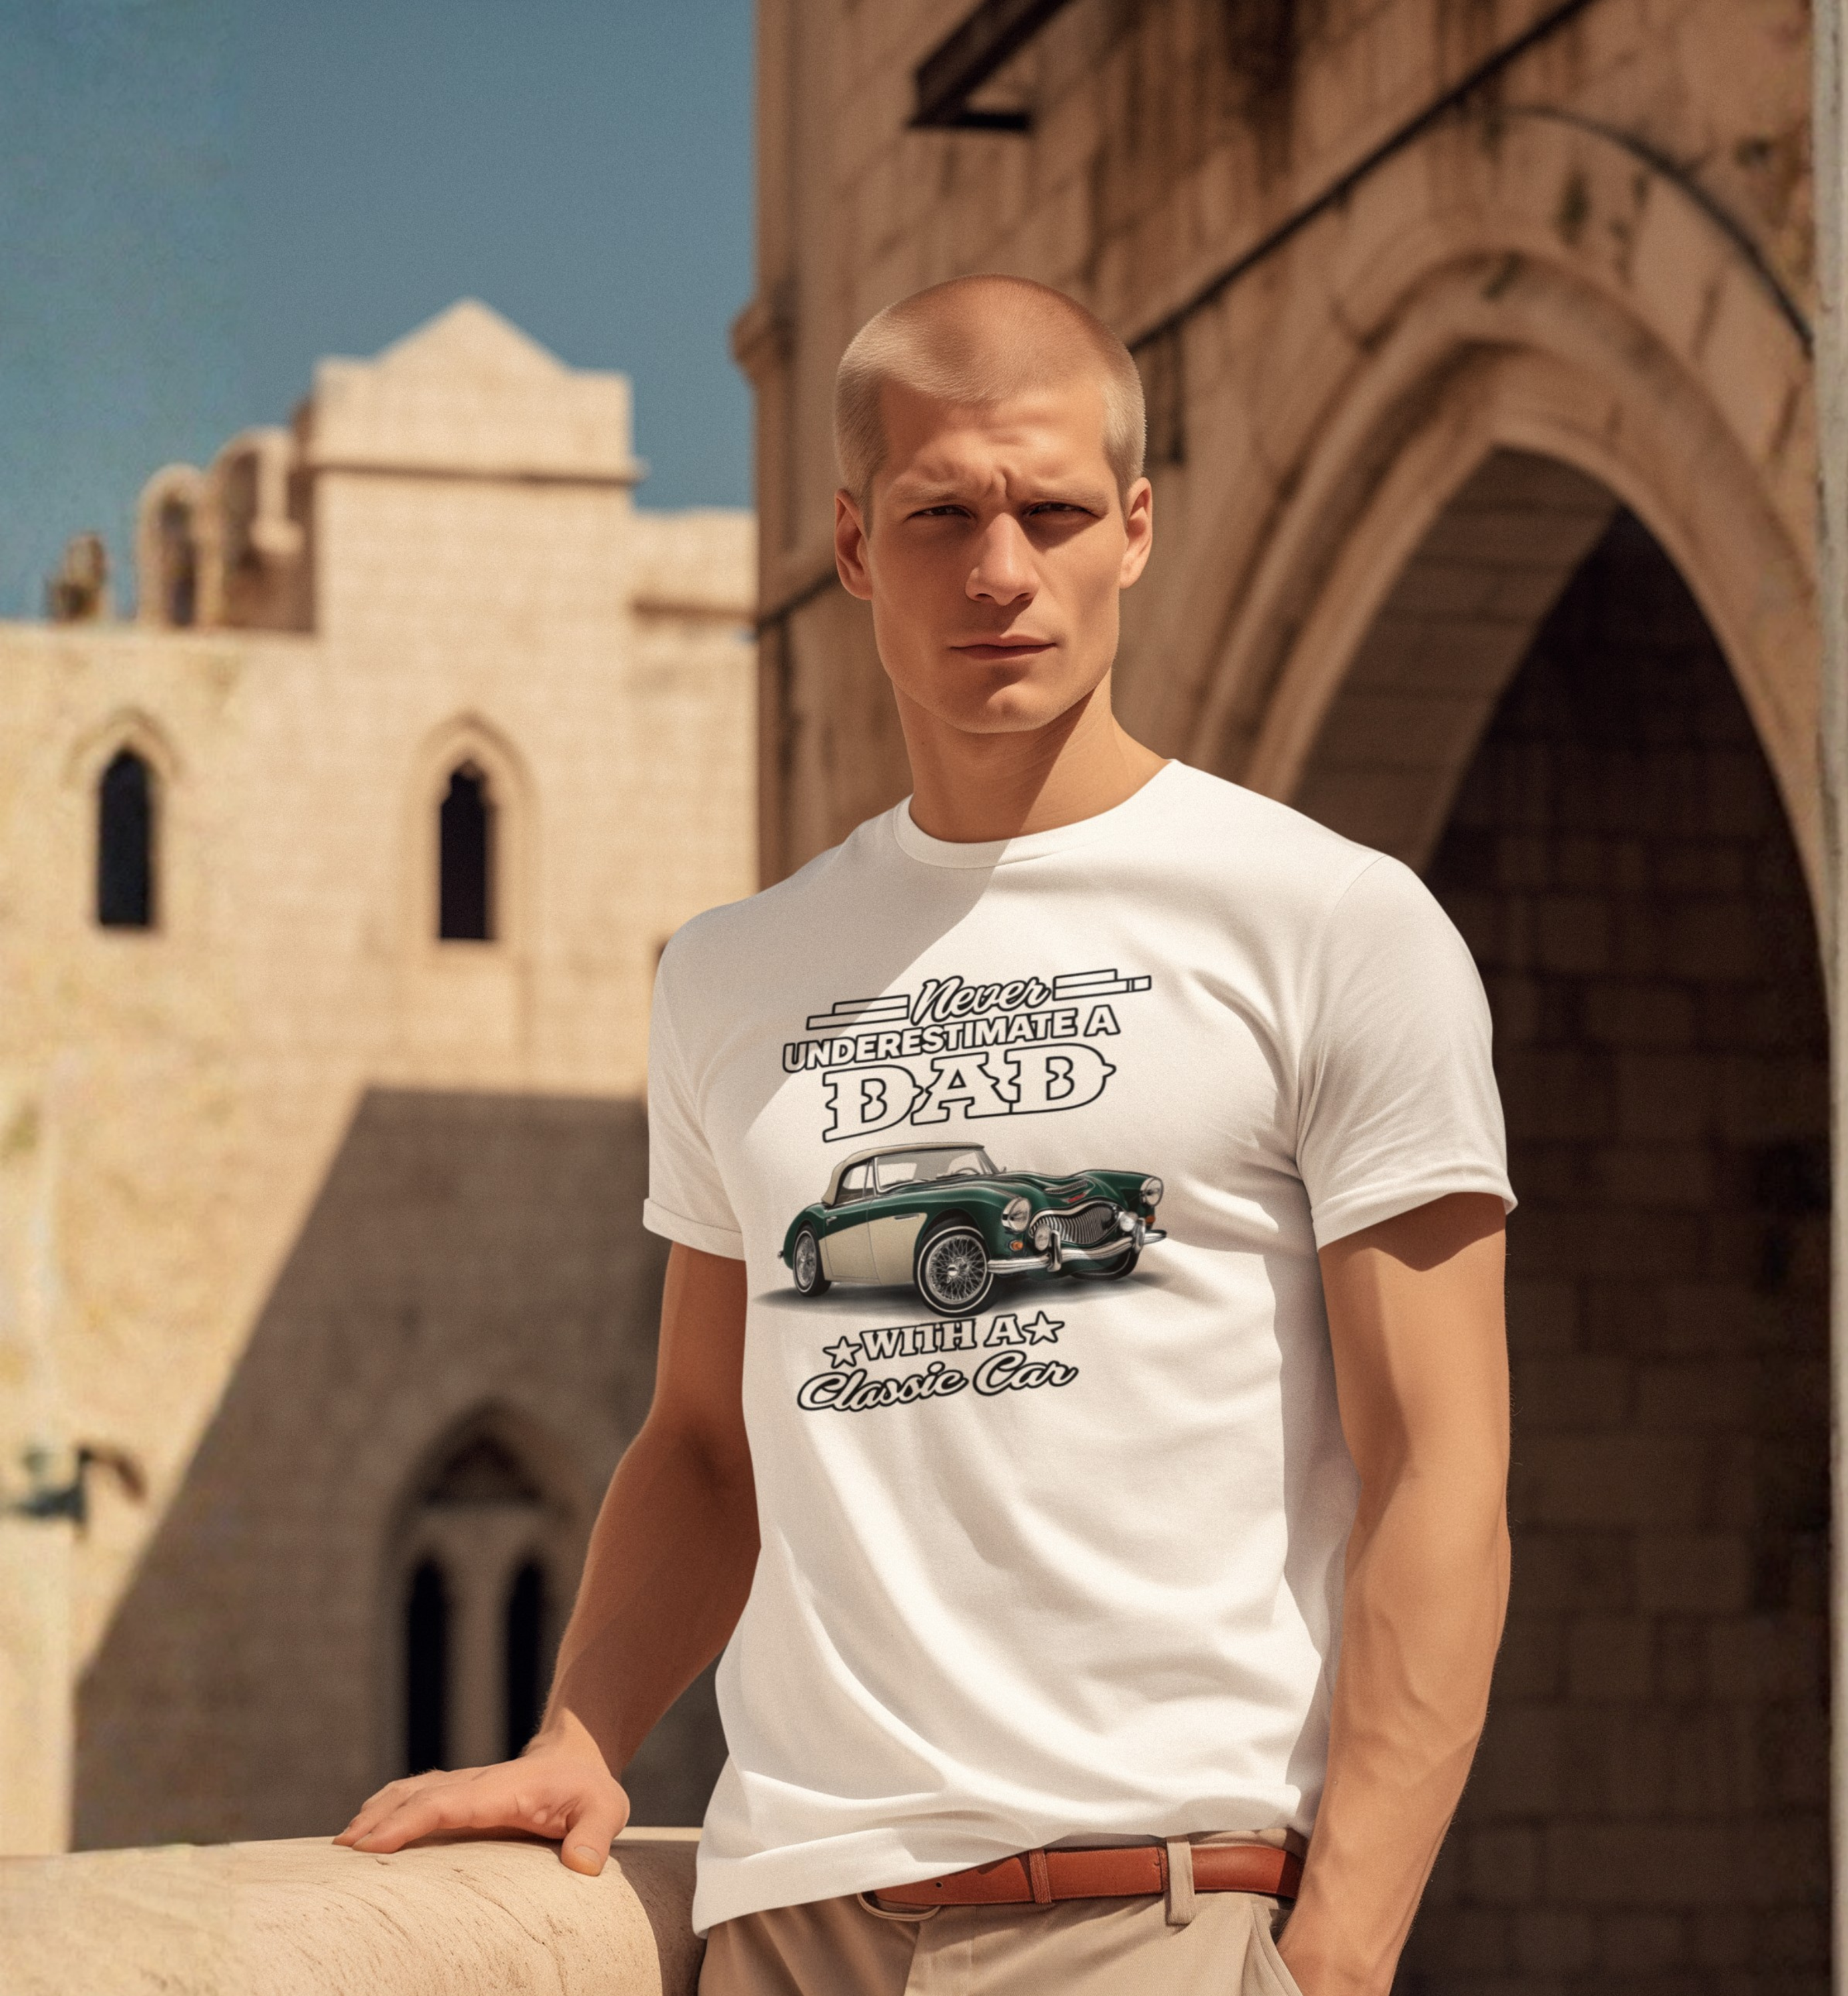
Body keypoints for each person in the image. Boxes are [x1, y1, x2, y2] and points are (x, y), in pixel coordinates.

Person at [338, 274, 1514, 1996]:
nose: (1000, 571)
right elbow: (704, 1444)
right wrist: (580, 1733)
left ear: (1134, 527)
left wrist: (1336, 1961)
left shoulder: (1334, 925)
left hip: (1151, 1902)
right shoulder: (732, 977)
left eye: (1048, 511)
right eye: (940, 514)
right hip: (790, 1923)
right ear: (850, 544)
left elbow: (1444, 1470)